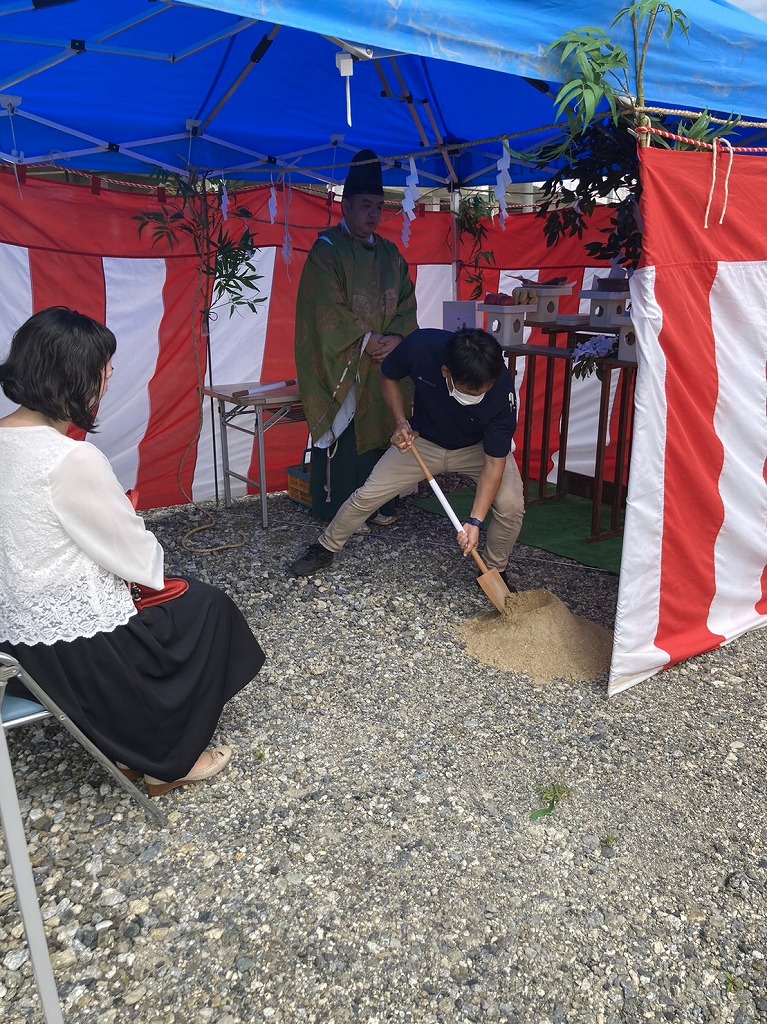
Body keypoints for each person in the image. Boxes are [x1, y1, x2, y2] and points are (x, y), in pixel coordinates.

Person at [0, 307, 265, 796]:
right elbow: (141, 561)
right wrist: (125, 515)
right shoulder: (70, 458)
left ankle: (132, 736)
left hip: (17, 641)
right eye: (103, 371)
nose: (109, 380)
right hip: (78, 646)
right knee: (207, 607)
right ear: (73, 378)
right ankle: (168, 756)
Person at [289, 327, 525, 585]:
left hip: (477, 448)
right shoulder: (420, 346)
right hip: (421, 441)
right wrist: (401, 421)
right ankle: (325, 547)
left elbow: (494, 463)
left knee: (511, 505)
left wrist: (475, 521)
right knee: (368, 494)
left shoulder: (502, 391)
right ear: (446, 372)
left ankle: (493, 572)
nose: (479, 397)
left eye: (484, 391)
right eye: (470, 391)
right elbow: (388, 375)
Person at [294, 148, 418, 525]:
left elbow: (406, 304)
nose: (373, 215)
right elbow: (325, 309)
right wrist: (365, 341)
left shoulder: (392, 255)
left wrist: (396, 339)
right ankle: (341, 514)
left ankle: (381, 505)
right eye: (365, 205)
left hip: (383, 361)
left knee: (385, 429)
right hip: (346, 363)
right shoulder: (326, 252)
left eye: (379, 207)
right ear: (345, 205)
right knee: (346, 437)